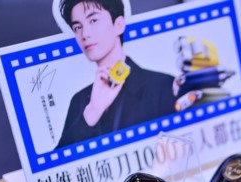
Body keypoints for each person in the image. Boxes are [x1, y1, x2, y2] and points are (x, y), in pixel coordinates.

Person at [56, 0, 175, 148]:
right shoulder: (79, 100)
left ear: (118, 25)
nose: (84, 34)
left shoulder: (162, 85)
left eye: (93, 20)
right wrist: (92, 112)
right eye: (77, 27)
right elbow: (61, 159)